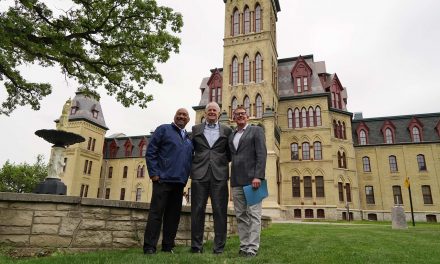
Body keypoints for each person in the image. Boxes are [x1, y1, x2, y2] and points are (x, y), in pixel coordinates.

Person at [143, 108, 193, 254]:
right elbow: (151, 151)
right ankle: (149, 247)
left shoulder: (189, 140)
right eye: (179, 114)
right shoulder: (163, 130)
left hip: (179, 183)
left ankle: (167, 246)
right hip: (162, 180)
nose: (182, 116)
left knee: (173, 217)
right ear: (174, 116)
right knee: (156, 214)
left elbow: (189, 161)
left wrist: (186, 177)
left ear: (188, 119)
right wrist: (154, 174)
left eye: (185, 115)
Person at [190, 101, 232, 254]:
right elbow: (190, 150)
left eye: (215, 110)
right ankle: (196, 247)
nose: (212, 112)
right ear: (206, 113)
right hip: (199, 174)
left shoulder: (227, 131)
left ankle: (219, 248)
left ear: (219, 114)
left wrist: (218, 162)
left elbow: (229, 153)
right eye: (210, 110)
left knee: (220, 211)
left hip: (219, 175)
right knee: (197, 210)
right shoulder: (195, 130)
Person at [229, 106, 267, 258]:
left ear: (248, 116)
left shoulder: (256, 131)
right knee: (241, 216)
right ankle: (244, 246)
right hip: (237, 181)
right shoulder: (232, 135)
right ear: (233, 117)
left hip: (253, 181)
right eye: (237, 114)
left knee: (254, 215)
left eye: (243, 114)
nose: (240, 116)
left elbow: (262, 154)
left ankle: (252, 247)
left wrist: (258, 176)